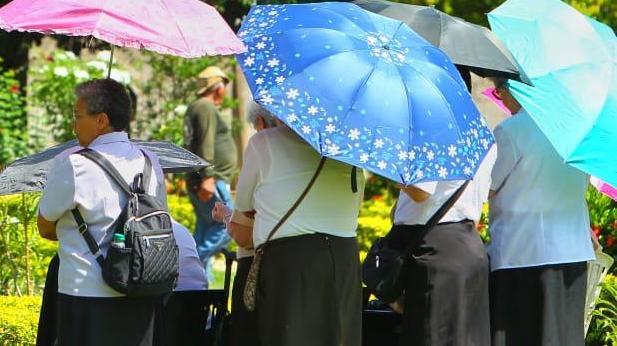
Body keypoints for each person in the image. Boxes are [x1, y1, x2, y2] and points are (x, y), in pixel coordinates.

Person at [37, 78, 168, 346]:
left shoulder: (75, 165)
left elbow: (45, 227)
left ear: (101, 121)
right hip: (141, 289)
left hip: (85, 292)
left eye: (78, 116)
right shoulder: (148, 160)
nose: (73, 124)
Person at [383, 69, 496, 346]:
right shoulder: (481, 129)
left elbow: (422, 191)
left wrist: (387, 165)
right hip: (469, 248)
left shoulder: (434, 124)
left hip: (436, 253)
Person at [233, 119, 364, 346]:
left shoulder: (264, 142)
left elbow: (245, 203)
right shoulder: (350, 147)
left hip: (291, 259)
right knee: (341, 336)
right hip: (344, 257)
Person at [487, 82, 593, 346]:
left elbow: (485, 187)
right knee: (564, 337)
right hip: (573, 251)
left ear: (517, 88)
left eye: (501, 89)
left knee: (521, 336)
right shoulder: (576, 129)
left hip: (523, 254)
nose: (501, 97)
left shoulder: (511, 130)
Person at [217, 100, 278, 346]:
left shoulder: (261, 151)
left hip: (255, 266)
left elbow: (244, 234)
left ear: (261, 123)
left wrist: (224, 215)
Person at [183, 65, 237, 267]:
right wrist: (207, 176)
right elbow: (205, 141)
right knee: (229, 224)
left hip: (204, 179)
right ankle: (190, 262)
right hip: (211, 181)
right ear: (219, 88)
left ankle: (195, 283)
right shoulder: (205, 106)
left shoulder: (197, 106)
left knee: (206, 227)